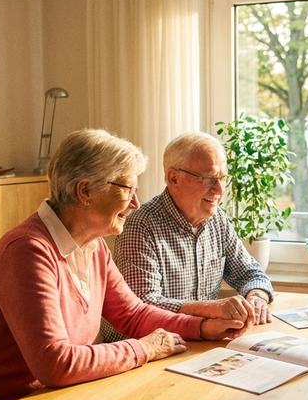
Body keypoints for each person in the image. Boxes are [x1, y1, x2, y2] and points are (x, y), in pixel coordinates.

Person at [0, 129, 249, 400]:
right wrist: (143, 348)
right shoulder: (27, 251)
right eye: (127, 189)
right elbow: (55, 363)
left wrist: (203, 327)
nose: (135, 203)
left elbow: (133, 314)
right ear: (85, 191)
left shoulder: (93, 246)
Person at [100, 131, 274, 344]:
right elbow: (143, 306)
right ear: (174, 178)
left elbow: (250, 273)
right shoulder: (141, 225)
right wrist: (209, 310)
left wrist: (256, 298)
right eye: (208, 179)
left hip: (197, 341)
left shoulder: (217, 219)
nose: (219, 189)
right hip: (144, 348)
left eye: (222, 178)